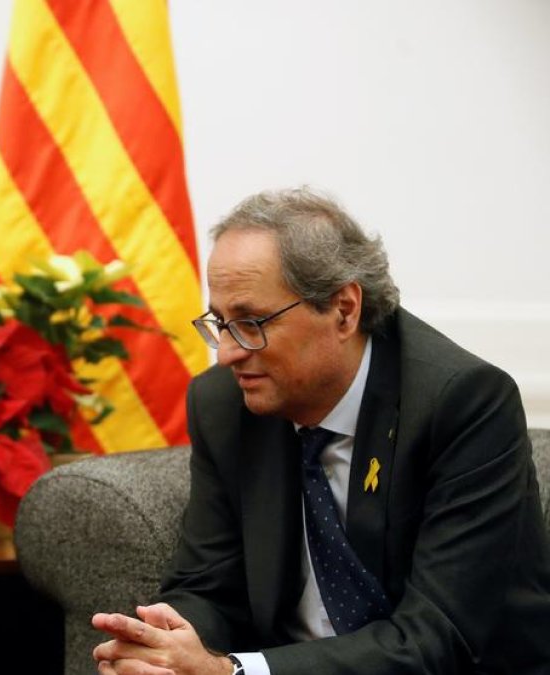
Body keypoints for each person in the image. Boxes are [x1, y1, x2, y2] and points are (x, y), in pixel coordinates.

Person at [91, 188, 550, 674]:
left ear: (344, 310)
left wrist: (235, 673)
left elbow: (436, 637)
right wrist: (164, 646)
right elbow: (209, 585)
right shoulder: (225, 404)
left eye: (250, 322)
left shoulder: (461, 403)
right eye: (220, 323)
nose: (226, 352)